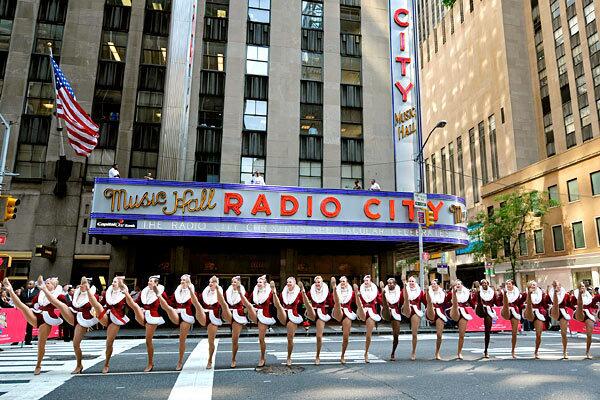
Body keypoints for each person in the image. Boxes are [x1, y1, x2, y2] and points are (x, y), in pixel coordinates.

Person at [3, 277, 66, 375]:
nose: (46, 284)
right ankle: (10, 290)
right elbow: (34, 304)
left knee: (41, 344)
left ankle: (38, 365)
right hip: (37, 314)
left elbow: (64, 307)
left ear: (54, 286)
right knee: (22, 307)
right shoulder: (40, 294)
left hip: (47, 319)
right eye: (46, 283)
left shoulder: (59, 295)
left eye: (48, 283)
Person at [36, 277, 98, 374]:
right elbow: (68, 304)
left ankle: (79, 364)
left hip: (84, 319)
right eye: (81, 283)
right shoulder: (76, 294)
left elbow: (96, 307)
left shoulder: (93, 295)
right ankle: (79, 365)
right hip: (73, 316)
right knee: (61, 305)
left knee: (75, 343)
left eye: (84, 283)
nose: (82, 285)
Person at [126, 275, 180, 372]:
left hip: (153, 316)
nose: (149, 282)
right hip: (143, 314)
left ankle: (150, 363)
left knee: (148, 340)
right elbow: (137, 302)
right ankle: (150, 363)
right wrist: (140, 307)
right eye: (149, 281)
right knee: (147, 340)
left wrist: (174, 309)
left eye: (151, 281)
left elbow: (167, 303)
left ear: (156, 283)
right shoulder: (144, 291)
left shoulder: (161, 292)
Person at [86, 276, 130, 373]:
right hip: (106, 314)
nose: (113, 283)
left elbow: (130, 303)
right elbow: (101, 303)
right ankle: (88, 294)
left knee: (109, 342)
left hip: (116, 318)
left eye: (115, 282)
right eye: (113, 282)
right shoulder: (107, 292)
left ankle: (106, 364)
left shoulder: (124, 294)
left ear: (120, 284)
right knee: (97, 307)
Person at [271, 277, 315, 366]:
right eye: (287, 282)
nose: (288, 283)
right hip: (283, 313)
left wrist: (306, 311)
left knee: (289, 338)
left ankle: (289, 357)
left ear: (294, 284)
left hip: (293, 316)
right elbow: (277, 303)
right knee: (278, 306)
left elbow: (306, 303)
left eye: (290, 282)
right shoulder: (283, 293)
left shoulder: (298, 294)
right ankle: (274, 291)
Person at [170, 274, 207, 371]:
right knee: (180, 338)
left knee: (181, 339)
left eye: (185, 280)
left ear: (189, 282)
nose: (183, 282)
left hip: (186, 316)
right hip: (177, 313)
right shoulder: (177, 292)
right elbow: (171, 301)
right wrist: (173, 309)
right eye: (182, 280)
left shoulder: (193, 293)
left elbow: (197, 303)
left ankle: (180, 361)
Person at [200, 276, 231, 369]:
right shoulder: (205, 293)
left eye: (213, 282)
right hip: (205, 315)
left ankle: (209, 360)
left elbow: (223, 303)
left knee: (211, 341)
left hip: (213, 317)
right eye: (210, 282)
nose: (211, 284)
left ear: (217, 284)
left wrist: (217, 289)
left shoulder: (220, 293)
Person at [245, 275, 276, 367]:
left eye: (260, 282)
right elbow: (248, 302)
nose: (258, 284)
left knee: (261, 338)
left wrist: (274, 291)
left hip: (264, 315)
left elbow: (275, 302)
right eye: (258, 282)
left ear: (265, 284)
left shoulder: (269, 292)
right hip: (255, 313)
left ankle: (262, 357)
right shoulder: (254, 292)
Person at [226, 276, 255, 368]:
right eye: (232, 282)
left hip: (238, 315)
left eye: (235, 282)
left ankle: (233, 359)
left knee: (234, 339)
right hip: (229, 314)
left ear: (239, 283)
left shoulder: (244, 293)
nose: (233, 284)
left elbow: (246, 303)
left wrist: (239, 293)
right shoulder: (227, 292)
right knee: (232, 338)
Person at [331, 276, 362, 364]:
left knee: (346, 337)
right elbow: (331, 301)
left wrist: (357, 293)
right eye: (340, 281)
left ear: (347, 282)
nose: (342, 283)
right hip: (338, 310)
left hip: (347, 312)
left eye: (344, 281)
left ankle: (342, 355)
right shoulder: (336, 291)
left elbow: (357, 301)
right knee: (337, 303)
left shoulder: (351, 292)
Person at [306, 275, 333, 365]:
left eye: (319, 282)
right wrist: (307, 307)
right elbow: (306, 300)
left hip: (321, 313)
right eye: (316, 282)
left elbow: (331, 302)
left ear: (322, 283)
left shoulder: (326, 292)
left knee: (319, 336)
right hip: (312, 312)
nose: (317, 284)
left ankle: (317, 356)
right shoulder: (310, 292)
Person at [471, 279, 499, 359]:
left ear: (488, 284)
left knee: (487, 331)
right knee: (480, 304)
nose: (484, 284)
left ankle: (486, 350)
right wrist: (474, 305)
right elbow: (472, 301)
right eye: (482, 283)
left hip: (488, 311)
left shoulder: (492, 293)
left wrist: (500, 295)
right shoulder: (476, 293)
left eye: (485, 283)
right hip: (480, 309)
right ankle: (480, 295)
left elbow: (497, 303)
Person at [358, 275, 381, 363]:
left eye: (367, 281)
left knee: (368, 334)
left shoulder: (375, 290)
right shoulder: (360, 290)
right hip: (362, 310)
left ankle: (366, 352)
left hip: (371, 312)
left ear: (370, 281)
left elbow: (380, 300)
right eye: (365, 281)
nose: (366, 282)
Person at [523, 280, 549, 359]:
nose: (533, 286)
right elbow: (522, 302)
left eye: (534, 285)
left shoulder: (541, 293)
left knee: (538, 334)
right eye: (532, 285)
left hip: (538, 312)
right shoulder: (525, 294)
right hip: (529, 311)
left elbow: (545, 304)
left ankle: (536, 351)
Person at [401, 275, 426, 360]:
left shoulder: (420, 291)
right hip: (406, 308)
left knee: (414, 334)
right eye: (410, 281)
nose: (411, 283)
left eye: (413, 281)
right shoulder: (404, 290)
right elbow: (399, 300)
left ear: (415, 283)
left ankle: (413, 352)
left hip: (416, 311)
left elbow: (426, 301)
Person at [573, 282, 600, 359]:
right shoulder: (575, 295)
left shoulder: (589, 296)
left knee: (589, 334)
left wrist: (597, 306)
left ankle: (587, 351)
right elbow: (570, 303)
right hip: (579, 312)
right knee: (580, 308)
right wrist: (574, 306)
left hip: (588, 314)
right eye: (580, 286)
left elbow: (594, 304)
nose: (582, 288)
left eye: (583, 286)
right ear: (578, 288)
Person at [425, 279, 450, 360]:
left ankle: (437, 352)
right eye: (431, 284)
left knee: (439, 335)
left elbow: (446, 303)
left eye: (434, 284)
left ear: (438, 285)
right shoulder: (428, 292)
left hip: (440, 312)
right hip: (431, 310)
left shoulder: (442, 294)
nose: (433, 285)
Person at [380, 277, 403, 361]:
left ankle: (393, 352)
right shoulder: (385, 291)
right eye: (388, 283)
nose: (389, 284)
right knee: (384, 300)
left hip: (395, 313)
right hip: (386, 310)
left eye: (391, 283)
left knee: (396, 335)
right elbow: (380, 300)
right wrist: (382, 292)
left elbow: (404, 301)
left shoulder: (399, 293)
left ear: (395, 284)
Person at [449, 280, 473, 360]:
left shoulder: (467, 293)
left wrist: (475, 306)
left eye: (459, 284)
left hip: (463, 312)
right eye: (456, 284)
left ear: (462, 285)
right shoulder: (450, 293)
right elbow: (445, 302)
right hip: (454, 311)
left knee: (462, 335)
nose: (458, 285)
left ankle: (459, 352)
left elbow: (471, 302)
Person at [500, 279, 524, 359]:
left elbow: (520, 303)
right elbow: (498, 301)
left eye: (509, 284)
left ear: (513, 285)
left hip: (514, 310)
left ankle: (513, 350)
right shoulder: (502, 293)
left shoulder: (518, 294)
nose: (508, 285)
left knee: (514, 332)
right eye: (507, 284)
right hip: (506, 310)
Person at [549, 280, 571, 359]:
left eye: (558, 286)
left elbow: (569, 304)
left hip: (562, 313)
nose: (557, 287)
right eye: (555, 286)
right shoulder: (550, 294)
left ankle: (565, 351)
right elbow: (544, 303)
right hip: (554, 311)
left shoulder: (566, 295)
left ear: (560, 286)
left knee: (563, 333)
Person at [19, 280, 39, 345]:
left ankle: (28, 340)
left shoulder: (37, 292)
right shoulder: (23, 292)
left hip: (32, 310)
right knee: (20, 325)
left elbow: (39, 301)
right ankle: (17, 340)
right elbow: (20, 300)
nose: (28, 285)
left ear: (34, 285)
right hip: (24, 310)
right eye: (28, 284)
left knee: (29, 326)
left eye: (30, 284)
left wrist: (32, 303)